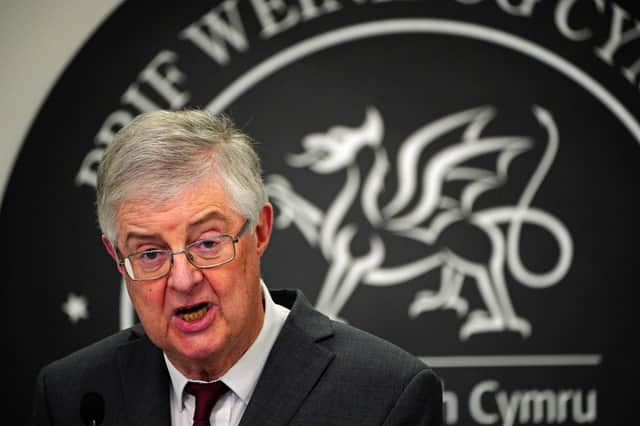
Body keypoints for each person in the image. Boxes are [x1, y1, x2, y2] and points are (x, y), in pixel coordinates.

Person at [31, 109, 443, 425]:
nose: (183, 279)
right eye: (151, 254)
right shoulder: (72, 396)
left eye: (207, 243)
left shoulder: (385, 395)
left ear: (259, 231)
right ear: (117, 260)